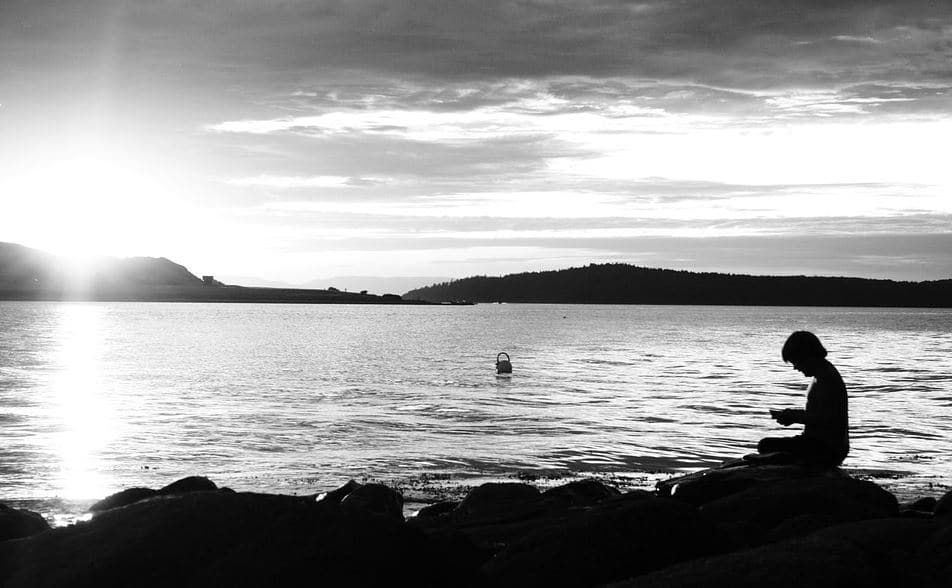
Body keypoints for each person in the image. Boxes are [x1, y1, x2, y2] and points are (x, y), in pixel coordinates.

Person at [756, 331, 849, 467]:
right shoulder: (822, 375)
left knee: (766, 445)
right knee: (767, 446)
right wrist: (793, 415)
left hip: (827, 449)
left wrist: (794, 417)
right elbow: (820, 414)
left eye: (796, 362)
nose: (795, 367)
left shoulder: (827, 378)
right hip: (821, 444)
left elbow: (827, 419)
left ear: (806, 356)